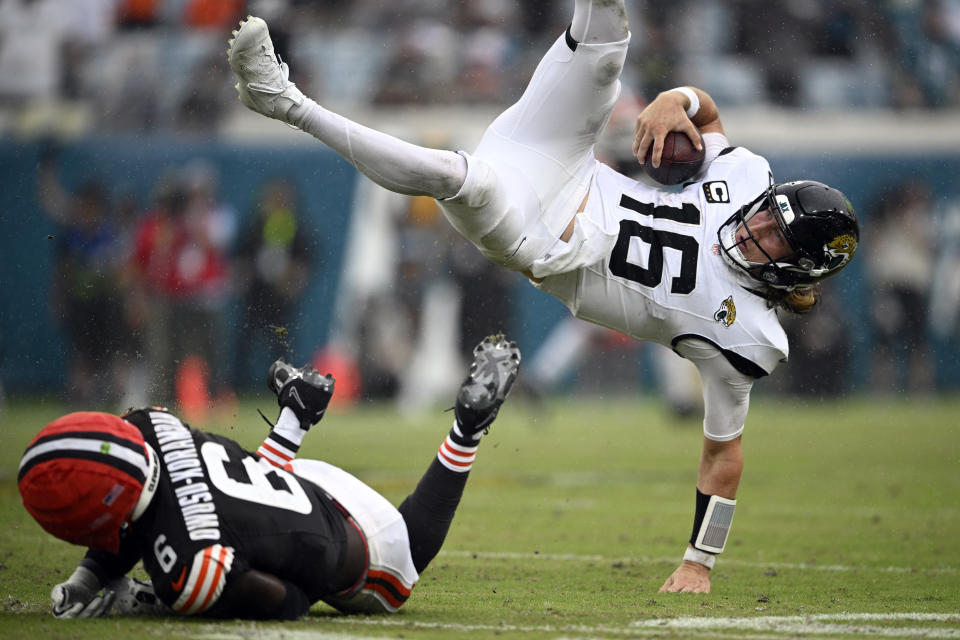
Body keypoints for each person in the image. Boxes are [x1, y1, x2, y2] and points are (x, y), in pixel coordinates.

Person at [227, 0, 860, 594]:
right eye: (769, 215)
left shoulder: (747, 338)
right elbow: (710, 118)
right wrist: (678, 97)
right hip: (569, 163)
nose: (757, 225)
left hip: (543, 240)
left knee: (455, 177)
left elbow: (724, 451)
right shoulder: (748, 179)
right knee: (608, 34)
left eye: (776, 236)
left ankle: (281, 100)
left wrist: (700, 560)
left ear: (796, 272)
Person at [18, 335, 522, 619]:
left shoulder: (189, 567)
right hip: (294, 481)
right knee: (245, 512)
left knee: (402, 569)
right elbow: (141, 498)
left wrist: (156, 600)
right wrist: (91, 577)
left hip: (363, 545)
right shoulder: (148, 422)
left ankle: (466, 430)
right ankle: (294, 417)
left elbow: (293, 603)